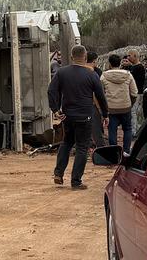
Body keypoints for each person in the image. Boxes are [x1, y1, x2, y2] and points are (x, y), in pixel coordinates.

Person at [48, 45, 108, 190]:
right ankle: (76, 181)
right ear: (85, 57)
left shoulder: (62, 72)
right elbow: (101, 96)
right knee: (82, 147)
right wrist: (105, 114)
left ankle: (58, 173)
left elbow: (51, 91)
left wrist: (55, 110)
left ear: (71, 56)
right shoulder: (92, 75)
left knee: (67, 142)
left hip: (67, 116)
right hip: (85, 116)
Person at [100, 54, 138, 152]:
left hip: (111, 108)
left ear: (109, 63)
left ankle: (114, 153)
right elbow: (134, 93)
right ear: (120, 62)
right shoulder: (128, 75)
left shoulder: (104, 76)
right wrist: (130, 103)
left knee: (112, 130)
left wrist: (103, 108)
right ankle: (126, 151)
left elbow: (100, 94)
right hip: (125, 107)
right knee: (127, 129)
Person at [85, 52, 107, 149]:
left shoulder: (79, 71)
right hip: (92, 103)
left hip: (79, 104)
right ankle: (101, 148)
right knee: (96, 127)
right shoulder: (96, 72)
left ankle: (85, 145)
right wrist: (102, 110)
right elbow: (98, 93)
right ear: (94, 61)